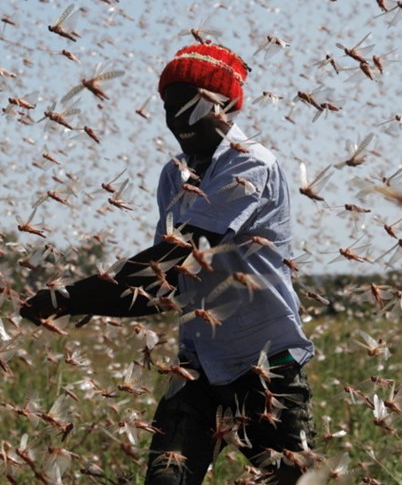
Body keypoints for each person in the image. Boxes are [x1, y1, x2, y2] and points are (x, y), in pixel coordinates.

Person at [21, 42, 316, 484]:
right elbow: (166, 287)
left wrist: (69, 297)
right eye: (170, 106)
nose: (180, 118)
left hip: (266, 363)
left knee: (287, 478)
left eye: (194, 106)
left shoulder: (250, 163)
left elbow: (177, 263)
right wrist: (80, 299)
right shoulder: (173, 175)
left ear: (228, 107)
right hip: (197, 363)